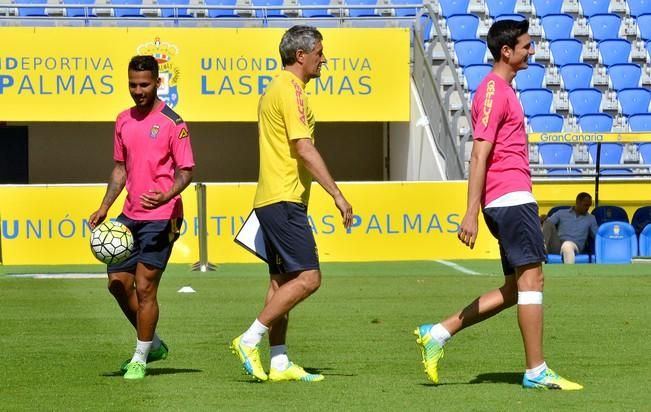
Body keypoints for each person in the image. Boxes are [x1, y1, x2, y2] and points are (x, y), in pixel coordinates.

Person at [414, 20, 582, 390]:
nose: (531, 51)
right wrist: (470, 211)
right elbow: (478, 154)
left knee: (515, 289)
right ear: (506, 51)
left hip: (510, 196)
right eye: (525, 45)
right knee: (533, 279)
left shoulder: (503, 89)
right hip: (508, 197)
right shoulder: (493, 90)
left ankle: (439, 333)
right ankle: (536, 370)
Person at [230, 25, 353, 383]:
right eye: (319, 53)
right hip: (283, 199)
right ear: (301, 56)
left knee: (280, 284)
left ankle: (279, 362)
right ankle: (249, 339)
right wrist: (337, 193)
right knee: (309, 278)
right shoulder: (291, 90)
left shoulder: (276, 88)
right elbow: (303, 147)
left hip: (274, 197)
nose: (324, 60)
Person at [89, 55, 195, 380]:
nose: (138, 91)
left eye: (144, 84)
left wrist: (166, 194)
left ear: (157, 82)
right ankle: (155, 344)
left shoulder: (173, 123)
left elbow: (186, 171)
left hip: (164, 216)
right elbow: (120, 168)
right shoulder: (122, 120)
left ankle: (139, 357)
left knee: (146, 287)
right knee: (118, 285)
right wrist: (105, 205)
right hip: (129, 216)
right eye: (133, 85)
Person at [543, 193, 599, 264]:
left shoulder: (591, 218)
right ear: (577, 202)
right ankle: (541, 247)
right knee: (548, 222)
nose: (587, 208)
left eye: (589, 205)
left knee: (567, 245)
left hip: (574, 246)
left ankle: (569, 273)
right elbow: (548, 223)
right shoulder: (561, 213)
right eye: (585, 205)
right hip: (558, 245)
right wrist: (543, 219)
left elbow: (597, 236)